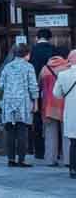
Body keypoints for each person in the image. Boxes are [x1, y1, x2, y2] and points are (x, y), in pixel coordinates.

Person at [0, 43, 40, 168]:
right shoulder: (29, 67)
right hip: (23, 102)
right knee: (22, 130)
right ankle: (21, 160)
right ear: (27, 54)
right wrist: (36, 102)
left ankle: (11, 159)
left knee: (10, 131)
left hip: (8, 102)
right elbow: (33, 86)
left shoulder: (7, 67)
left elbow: (1, 84)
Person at [40, 52, 72, 167]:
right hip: (64, 104)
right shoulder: (66, 68)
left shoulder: (45, 69)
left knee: (50, 133)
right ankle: (68, 160)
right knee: (67, 134)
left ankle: (50, 160)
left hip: (49, 105)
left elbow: (40, 85)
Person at [31, 29, 59, 159]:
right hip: (53, 91)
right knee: (54, 119)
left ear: (37, 37)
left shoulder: (32, 51)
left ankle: (39, 151)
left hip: (36, 89)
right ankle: (56, 151)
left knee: (37, 120)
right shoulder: (55, 50)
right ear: (50, 38)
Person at [52, 49, 76, 179]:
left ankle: (73, 170)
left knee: (74, 142)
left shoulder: (63, 75)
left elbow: (57, 94)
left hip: (72, 112)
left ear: (69, 60)